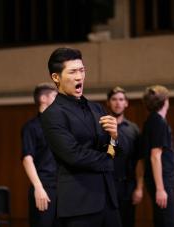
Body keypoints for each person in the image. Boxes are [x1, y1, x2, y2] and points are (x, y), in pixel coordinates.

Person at [40, 47, 122, 227]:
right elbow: (74, 155)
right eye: (73, 72)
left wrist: (114, 137)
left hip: (108, 201)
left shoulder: (97, 108)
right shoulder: (53, 114)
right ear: (56, 77)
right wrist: (108, 157)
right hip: (79, 205)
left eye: (82, 70)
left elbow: (113, 148)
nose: (79, 77)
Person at [21, 83, 59, 227]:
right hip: (44, 187)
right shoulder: (31, 127)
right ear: (43, 98)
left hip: (62, 187)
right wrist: (38, 187)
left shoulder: (59, 126)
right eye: (55, 97)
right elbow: (27, 158)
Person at [106, 86, 144, 227]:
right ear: (108, 103)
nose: (118, 103)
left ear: (126, 103)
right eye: (114, 99)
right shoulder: (101, 127)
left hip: (128, 186)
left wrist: (139, 188)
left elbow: (139, 160)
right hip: (107, 185)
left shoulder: (133, 129)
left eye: (121, 99)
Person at [142, 85, 174, 227]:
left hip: (160, 180)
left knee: (162, 220)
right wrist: (160, 189)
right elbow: (155, 156)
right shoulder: (158, 122)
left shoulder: (153, 120)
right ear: (165, 101)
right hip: (161, 181)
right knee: (166, 222)